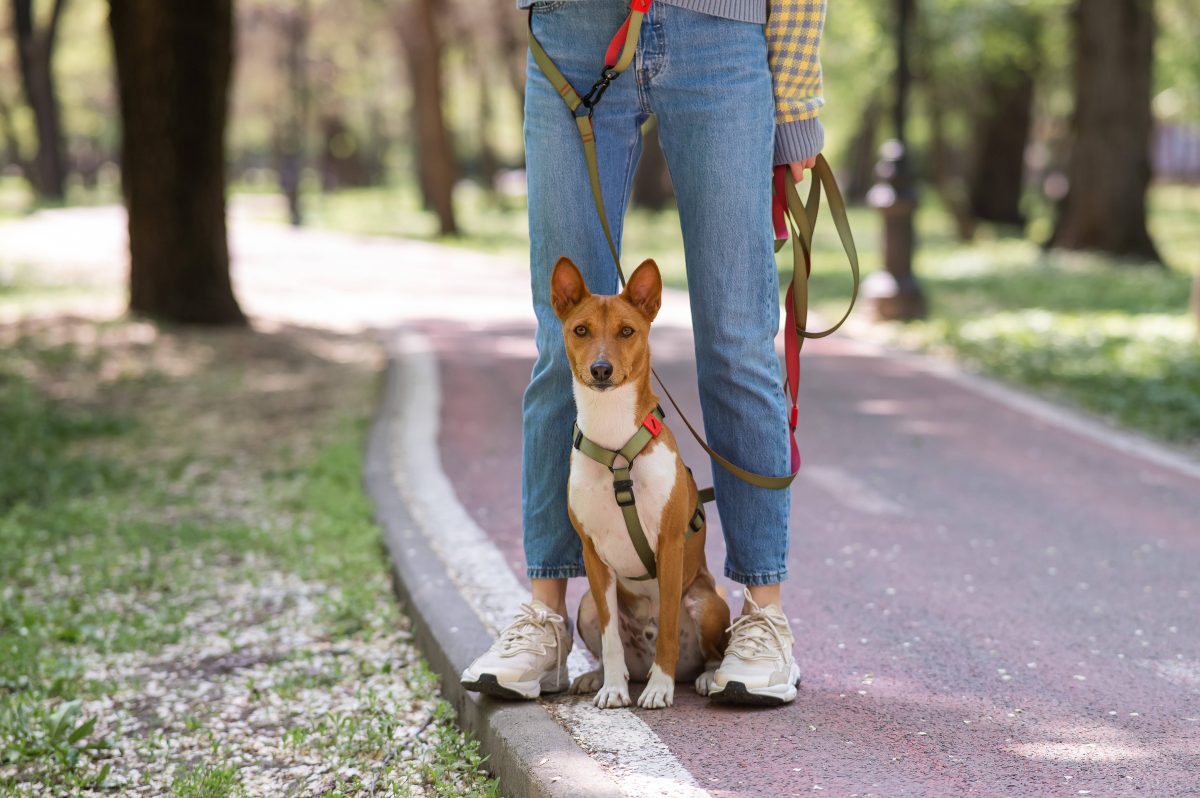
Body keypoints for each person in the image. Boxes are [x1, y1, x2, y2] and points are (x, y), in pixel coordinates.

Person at [460, 0, 825, 706]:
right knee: (558, 342)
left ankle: (764, 619)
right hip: (573, 30)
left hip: (721, 27)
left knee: (738, 341)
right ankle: (546, 616)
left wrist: (797, 97)